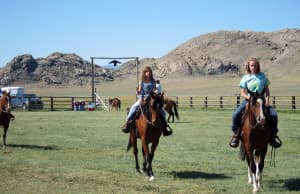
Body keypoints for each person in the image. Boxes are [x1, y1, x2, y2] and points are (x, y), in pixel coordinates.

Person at [229, 58, 282, 148]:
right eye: (251, 65)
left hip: (261, 100)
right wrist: (249, 97)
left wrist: (267, 102)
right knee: (236, 114)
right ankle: (236, 135)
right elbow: (242, 93)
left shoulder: (262, 76)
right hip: (248, 100)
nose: (253, 67)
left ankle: (273, 136)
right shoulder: (245, 78)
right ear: (249, 67)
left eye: (255, 65)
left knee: (274, 115)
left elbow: (267, 91)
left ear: (258, 66)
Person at [121, 66, 172, 136]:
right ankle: (127, 123)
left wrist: (157, 91)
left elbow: (154, 90)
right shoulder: (141, 81)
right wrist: (138, 92)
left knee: (162, 111)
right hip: (143, 98)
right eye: (147, 72)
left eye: (150, 72)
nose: (148, 73)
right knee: (133, 107)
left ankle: (165, 127)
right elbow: (139, 90)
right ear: (144, 73)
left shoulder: (153, 81)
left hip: (152, 98)